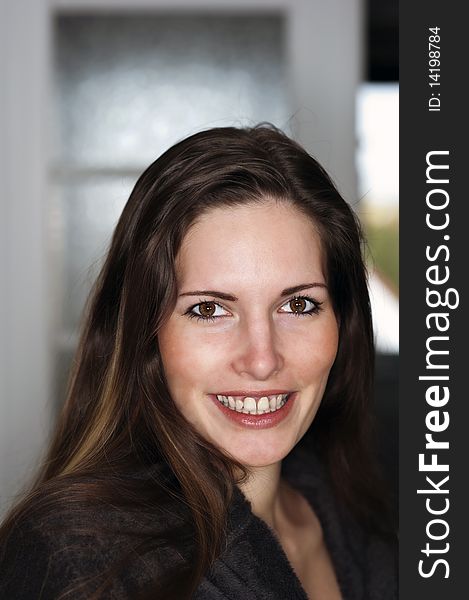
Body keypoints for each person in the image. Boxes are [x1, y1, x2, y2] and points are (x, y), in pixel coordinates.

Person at [0, 125, 397, 599]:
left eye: (298, 305)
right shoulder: (78, 562)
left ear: (343, 322)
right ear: (147, 336)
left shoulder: (362, 513)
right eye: (209, 309)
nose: (262, 359)